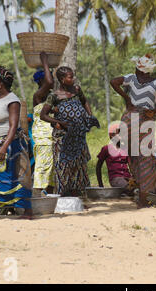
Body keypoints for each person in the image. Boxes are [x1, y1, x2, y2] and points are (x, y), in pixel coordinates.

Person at [110, 54, 156, 208]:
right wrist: (154, 110)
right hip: (146, 118)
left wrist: (127, 99)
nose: (135, 70)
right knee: (145, 157)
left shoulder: (131, 78)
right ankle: (145, 195)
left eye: (137, 67)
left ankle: (144, 195)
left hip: (130, 119)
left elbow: (113, 82)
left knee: (136, 156)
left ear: (140, 70)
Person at [0, 66, 33, 220]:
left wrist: (4, 147)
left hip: (10, 146)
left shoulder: (13, 101)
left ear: (0, 83)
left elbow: (13, 126)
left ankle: (28, 211)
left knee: (18, 177)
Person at [40, 66, 99, 197]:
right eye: (70, 77)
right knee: (63, 166)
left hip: (78, 135)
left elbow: (85, 102)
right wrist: (59, 122)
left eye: (72, 76)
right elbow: (43, 115)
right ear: (62, 79)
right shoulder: (54, 96)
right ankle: (63, 195)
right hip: (62, 137)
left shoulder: (77, 90)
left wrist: (89, 117)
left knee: (79, 166)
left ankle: (79, 196)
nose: (73, 79)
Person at [31, 52, 55, 196]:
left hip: (51, 139)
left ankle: (49, 199)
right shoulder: (38, 96)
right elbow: (50, 82)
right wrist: (45, 61)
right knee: (42, 170)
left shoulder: (51, 97)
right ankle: (36, 199)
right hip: (44, 140)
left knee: (51, 172)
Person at [96, 122, 132, 189]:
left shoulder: (125, 149)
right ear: (112, 136)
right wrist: (100, 185)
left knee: (138, 186)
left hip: (128, 177)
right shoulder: (106, 149)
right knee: (127, 187)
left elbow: (130, 165)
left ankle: (133, 191)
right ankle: (131, 191)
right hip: (116, 178)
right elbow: (98, 166)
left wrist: (134, 178)